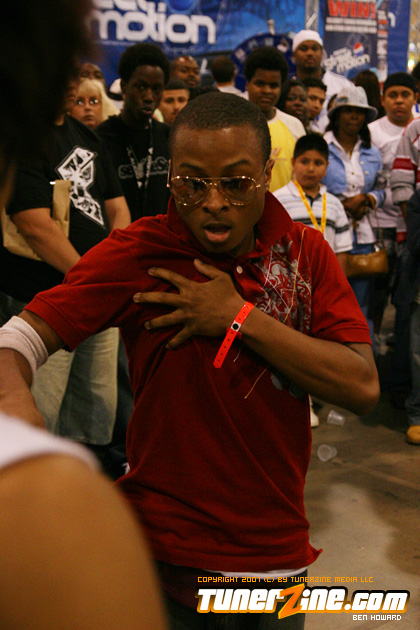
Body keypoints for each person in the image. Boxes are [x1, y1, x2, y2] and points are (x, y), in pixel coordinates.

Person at [0, 92, 379, 628]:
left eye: (236, 182)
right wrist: (14, 401)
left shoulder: (305, 253)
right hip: (166, 555)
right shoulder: (141, 252)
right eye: (192, 183)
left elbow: (362, 387)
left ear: (266, 173)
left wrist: (238, 316)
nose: (214, 201)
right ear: (171, 177)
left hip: (274, 557)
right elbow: (18, 338)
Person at [0, 1, 167, 628]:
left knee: (94, 407)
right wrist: (93, 282)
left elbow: (117, 209)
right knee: (40, 402)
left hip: (92, 296)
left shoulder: (89, 141)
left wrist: (109, 277)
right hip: (42, 296)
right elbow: (36, 224)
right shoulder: (42, 508)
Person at [323, 86, 385, 346]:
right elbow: (310, 185)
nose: (354, 116)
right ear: (337, 115)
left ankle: (364, 359)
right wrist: (341, 204)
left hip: (363, 237)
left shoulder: (373, 152)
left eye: (359, 112)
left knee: (361, 307)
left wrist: (367, 199)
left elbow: (384, 188)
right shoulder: (322, 146)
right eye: (348, 110)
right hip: (329, 236)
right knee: (329, 304)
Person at [368, 73, 418, 399]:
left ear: (415, 97)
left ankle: (400, 380)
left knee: (405, 306)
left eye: (406, 94)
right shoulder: (373, 131)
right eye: (393, 95)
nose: (399, 101)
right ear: (384, 99)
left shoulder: (415, 127)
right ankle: (375, 372)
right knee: (376, 302)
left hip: (407, 233)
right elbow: (399, 185)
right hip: (380, 228)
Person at [96, 43, 171, 222]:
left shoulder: (169, 137)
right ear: (124, 86)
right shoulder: (100, 139)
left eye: (156, 89)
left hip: (162, 236)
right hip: (119, 234)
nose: (149, 97)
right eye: (141, 87)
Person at [273, 134, 351, 271]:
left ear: (327, 167)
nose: (310, 168)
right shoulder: (278, 200)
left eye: (318, 163)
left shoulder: (334, 204)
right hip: (290, 276)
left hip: (326, 276)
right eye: (304, 162)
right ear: (293, 163)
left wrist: (339, 281)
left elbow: (341, 251)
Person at [244, 46, 305, 193]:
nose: (267, 91)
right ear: (247, 84)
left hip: (285, 206)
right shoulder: (232, 124)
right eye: (260, 84)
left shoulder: (294, 126)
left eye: (273, 85)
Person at [292, 30, 353, 132]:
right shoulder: (288, 87)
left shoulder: (343, 85)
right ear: (294, 55)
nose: (310, 53)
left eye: (314, 49)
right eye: (304, 49)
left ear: (322, 53)